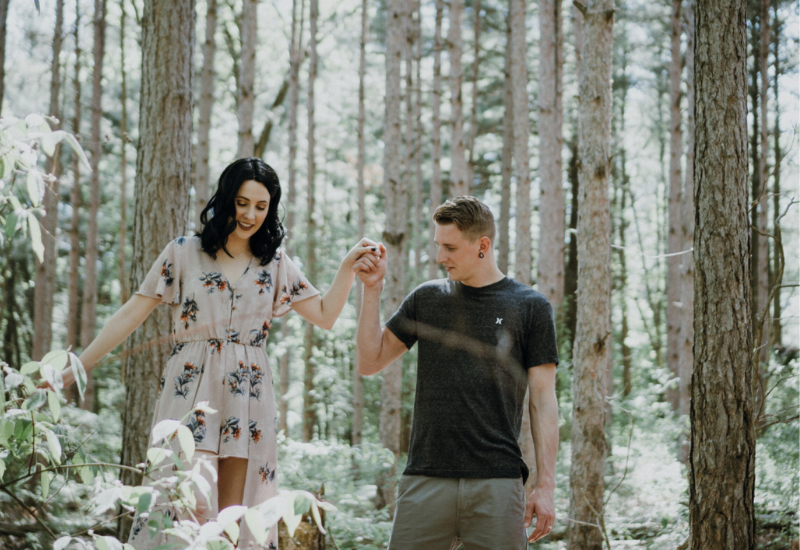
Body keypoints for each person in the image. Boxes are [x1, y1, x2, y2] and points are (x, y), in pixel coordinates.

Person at [59, 158, 380, 549]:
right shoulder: (183, 252)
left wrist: (347, 266)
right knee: (184, 504)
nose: (250, 214)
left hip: (248, 397)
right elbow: (131, 313)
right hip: (191, 388)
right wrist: (76, 367)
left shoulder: (274, 263)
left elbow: (326, 315)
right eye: (242, 202)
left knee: (235, 515)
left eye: (261, 207)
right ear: (225, 199)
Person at [353, 196, 560, 550]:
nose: (439, 257)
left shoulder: (530, 307)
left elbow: (543, 401)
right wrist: (372, 290)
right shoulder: (427, 299)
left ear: (483, 246)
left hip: (497, 481)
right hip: (425, 478)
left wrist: (546, 486)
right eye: (438, 245)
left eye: (449, 247)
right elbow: (369, 362)